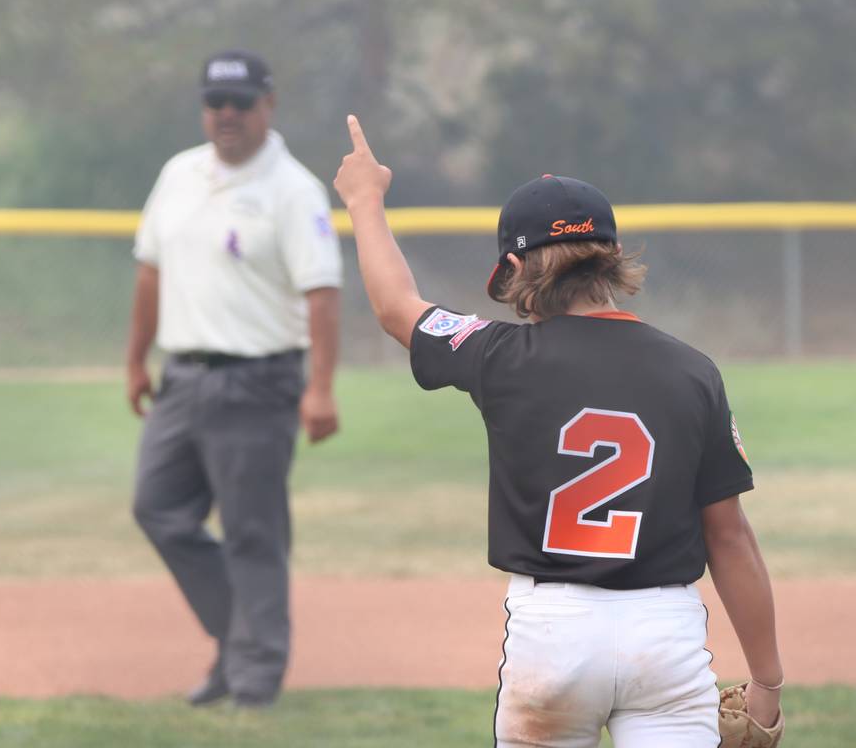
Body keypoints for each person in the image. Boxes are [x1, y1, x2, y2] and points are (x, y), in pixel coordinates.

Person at [333, 115, 784, 747]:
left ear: (517, 268)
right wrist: (767, 682)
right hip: (666, 634)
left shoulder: (498, 355)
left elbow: (394, 306)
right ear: (611, 256)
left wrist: (364, 199)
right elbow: (730, 539)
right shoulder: (693, 371)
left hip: (554, 634)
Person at [126, 50, 342, 708]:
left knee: (253, 532)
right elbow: (150, 272)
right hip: (182, 377)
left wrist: (321, 387)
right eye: (216, 103)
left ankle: (253, 681)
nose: (227, 115)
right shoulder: (178, 174)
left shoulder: (293, 189)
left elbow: (323, 293)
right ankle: (238, 639)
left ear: (267, 106)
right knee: (157, 508)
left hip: (258, 381)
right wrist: (136, 358)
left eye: (241, 103)